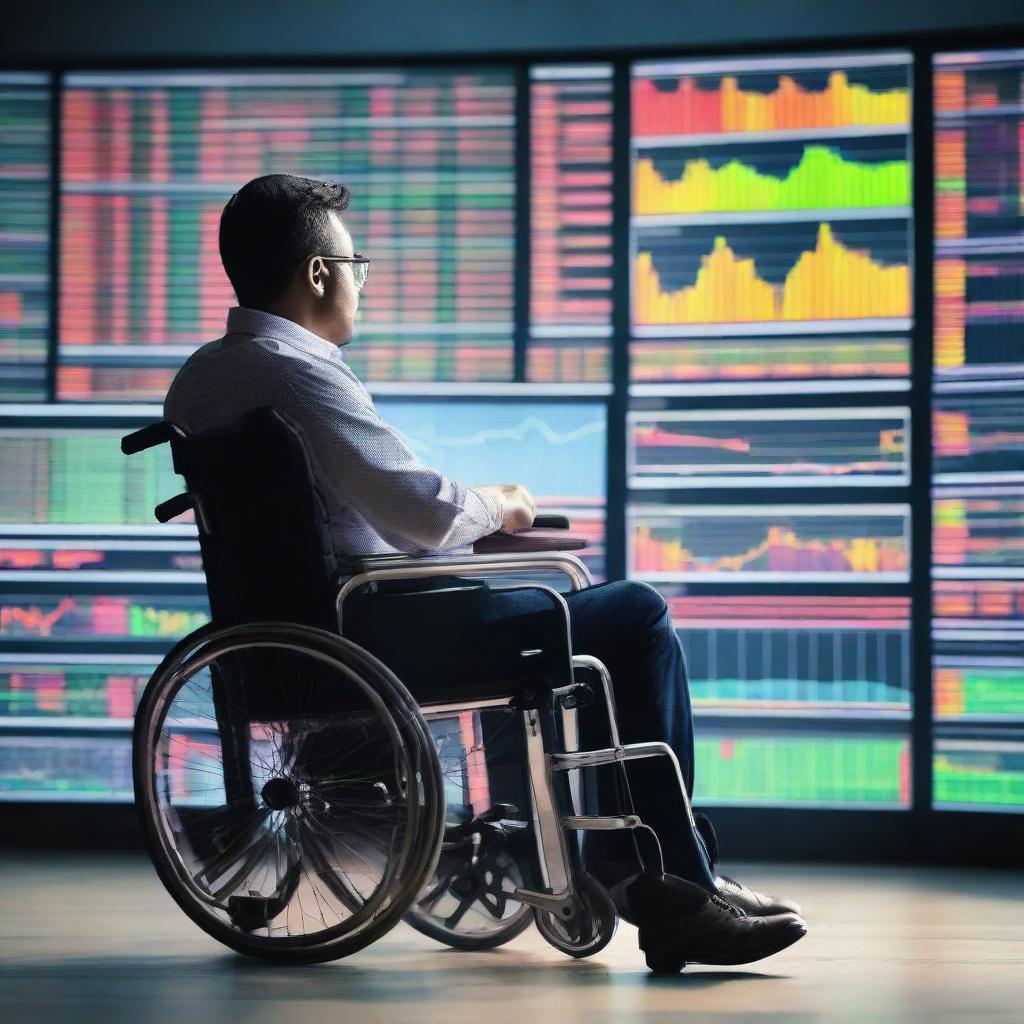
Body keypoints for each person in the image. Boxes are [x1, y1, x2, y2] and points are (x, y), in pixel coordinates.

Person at [164, 173, 807, 967]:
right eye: (354, 260)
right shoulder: (298, 369)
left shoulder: (201, 378)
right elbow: (421, 512)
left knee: (522, 619)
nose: (362, 279)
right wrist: (502, 503)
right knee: (634, 613)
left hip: (294, 637)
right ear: (319, 272)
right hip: (372, 634)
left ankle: (653, 871)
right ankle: (674, 879)